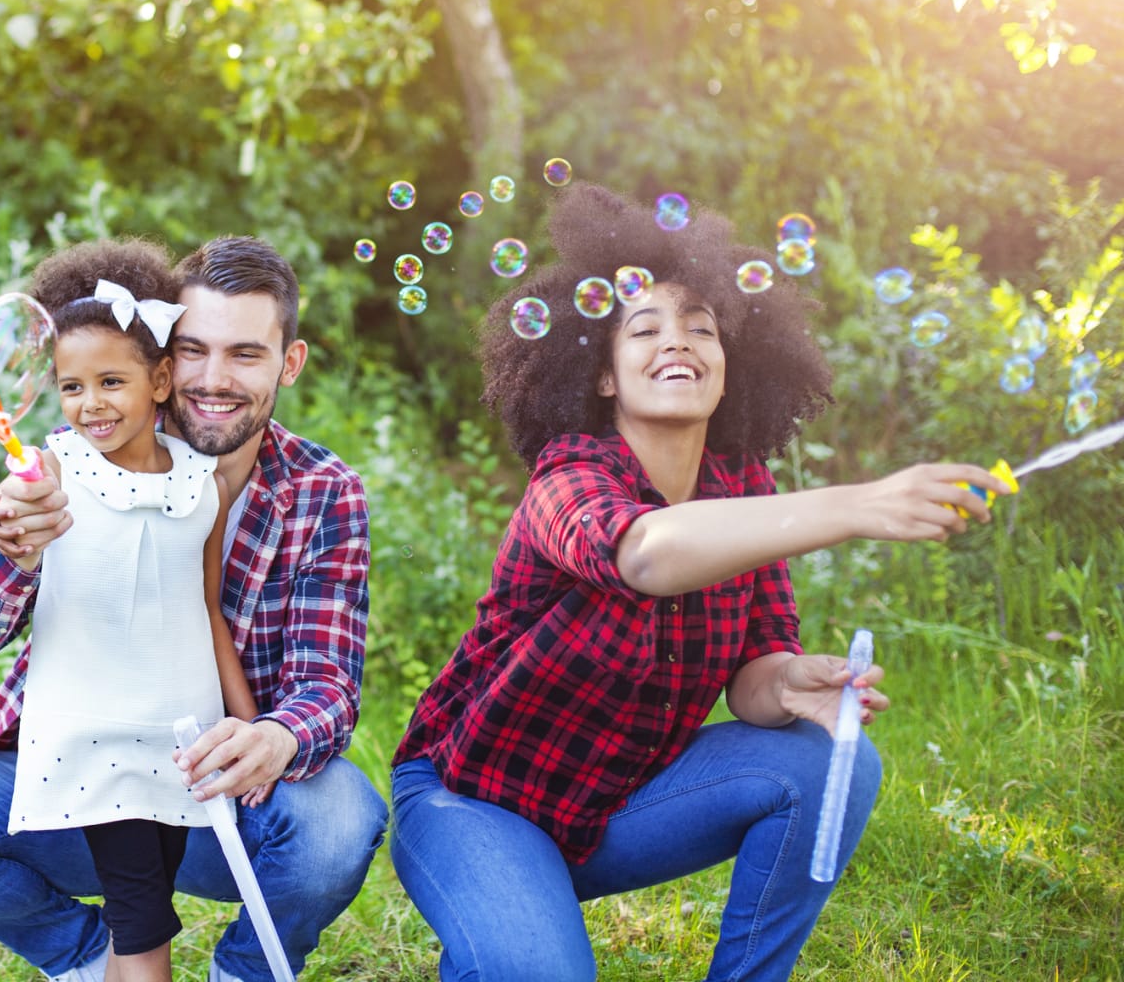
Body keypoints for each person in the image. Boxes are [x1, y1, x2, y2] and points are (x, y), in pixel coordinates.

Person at [388, 184, 1011, 982]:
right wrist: (860, 503)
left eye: (701, 329)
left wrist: (791, 684)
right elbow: (645, 554)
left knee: (835, 759)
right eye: (642, 328)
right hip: (474, 801)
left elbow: (753, 676)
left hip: (617, 802)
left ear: (729, 370)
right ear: (604, 377)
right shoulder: (570, 475)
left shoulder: (743, 488)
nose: (676, 341)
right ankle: (502, 918)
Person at [0, 236, 385, 982]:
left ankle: (244, 972)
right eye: (196, 350)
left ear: (288, 363)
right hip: (76, 769)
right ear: (165, 363)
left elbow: (327, 684)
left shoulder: (322, 491)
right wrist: (15, 549)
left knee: (338, 822)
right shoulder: (83, 455)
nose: (213, 379)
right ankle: (83, 959)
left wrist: (273, 735)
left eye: (245, 354)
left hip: (218, 793)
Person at [0, 238, 263, 982]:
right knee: (142, 912)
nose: (90, 404)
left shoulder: (200, 481)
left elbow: (208, 612)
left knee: (141, 909)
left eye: (111, 381)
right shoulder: (51, 466)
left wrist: (242, 718)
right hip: (92, 730)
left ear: (160, 380)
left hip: (182, 729)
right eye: (71, 387)